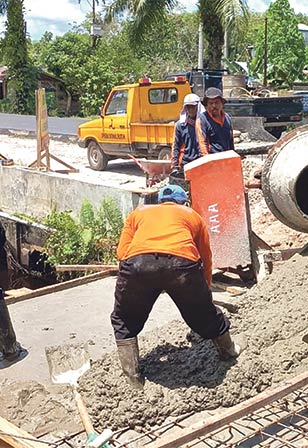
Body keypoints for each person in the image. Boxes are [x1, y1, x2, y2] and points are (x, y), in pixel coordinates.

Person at [111, 184, 240, 386]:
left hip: (137, 264)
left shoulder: (139, 213)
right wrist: (204, 290)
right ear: (183, 202)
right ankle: (229, 351)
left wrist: (137, 280)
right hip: (182, 264)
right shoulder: (192, 215)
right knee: (204, 315)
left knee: (124, 319)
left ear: (160, 201)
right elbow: (205, 257)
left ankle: (133, 380)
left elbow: (122, 253)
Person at [171, 93, 204, 174]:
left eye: (193, 107)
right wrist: (174, 166)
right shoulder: (180, 125)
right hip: (186, 163)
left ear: (198, 107)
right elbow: (175, 146)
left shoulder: (205, 124)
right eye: (188, 107)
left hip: (202, 162)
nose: (190, 109)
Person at [198, 87, 235, 155]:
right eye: (211, 103)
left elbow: (231, 141)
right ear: (207, 105)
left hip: (227, 158)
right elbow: (202, 144)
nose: (214, 106)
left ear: (222, 103)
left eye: (217, 102)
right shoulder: (202, 119)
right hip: (213, 159)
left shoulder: (227, 118)